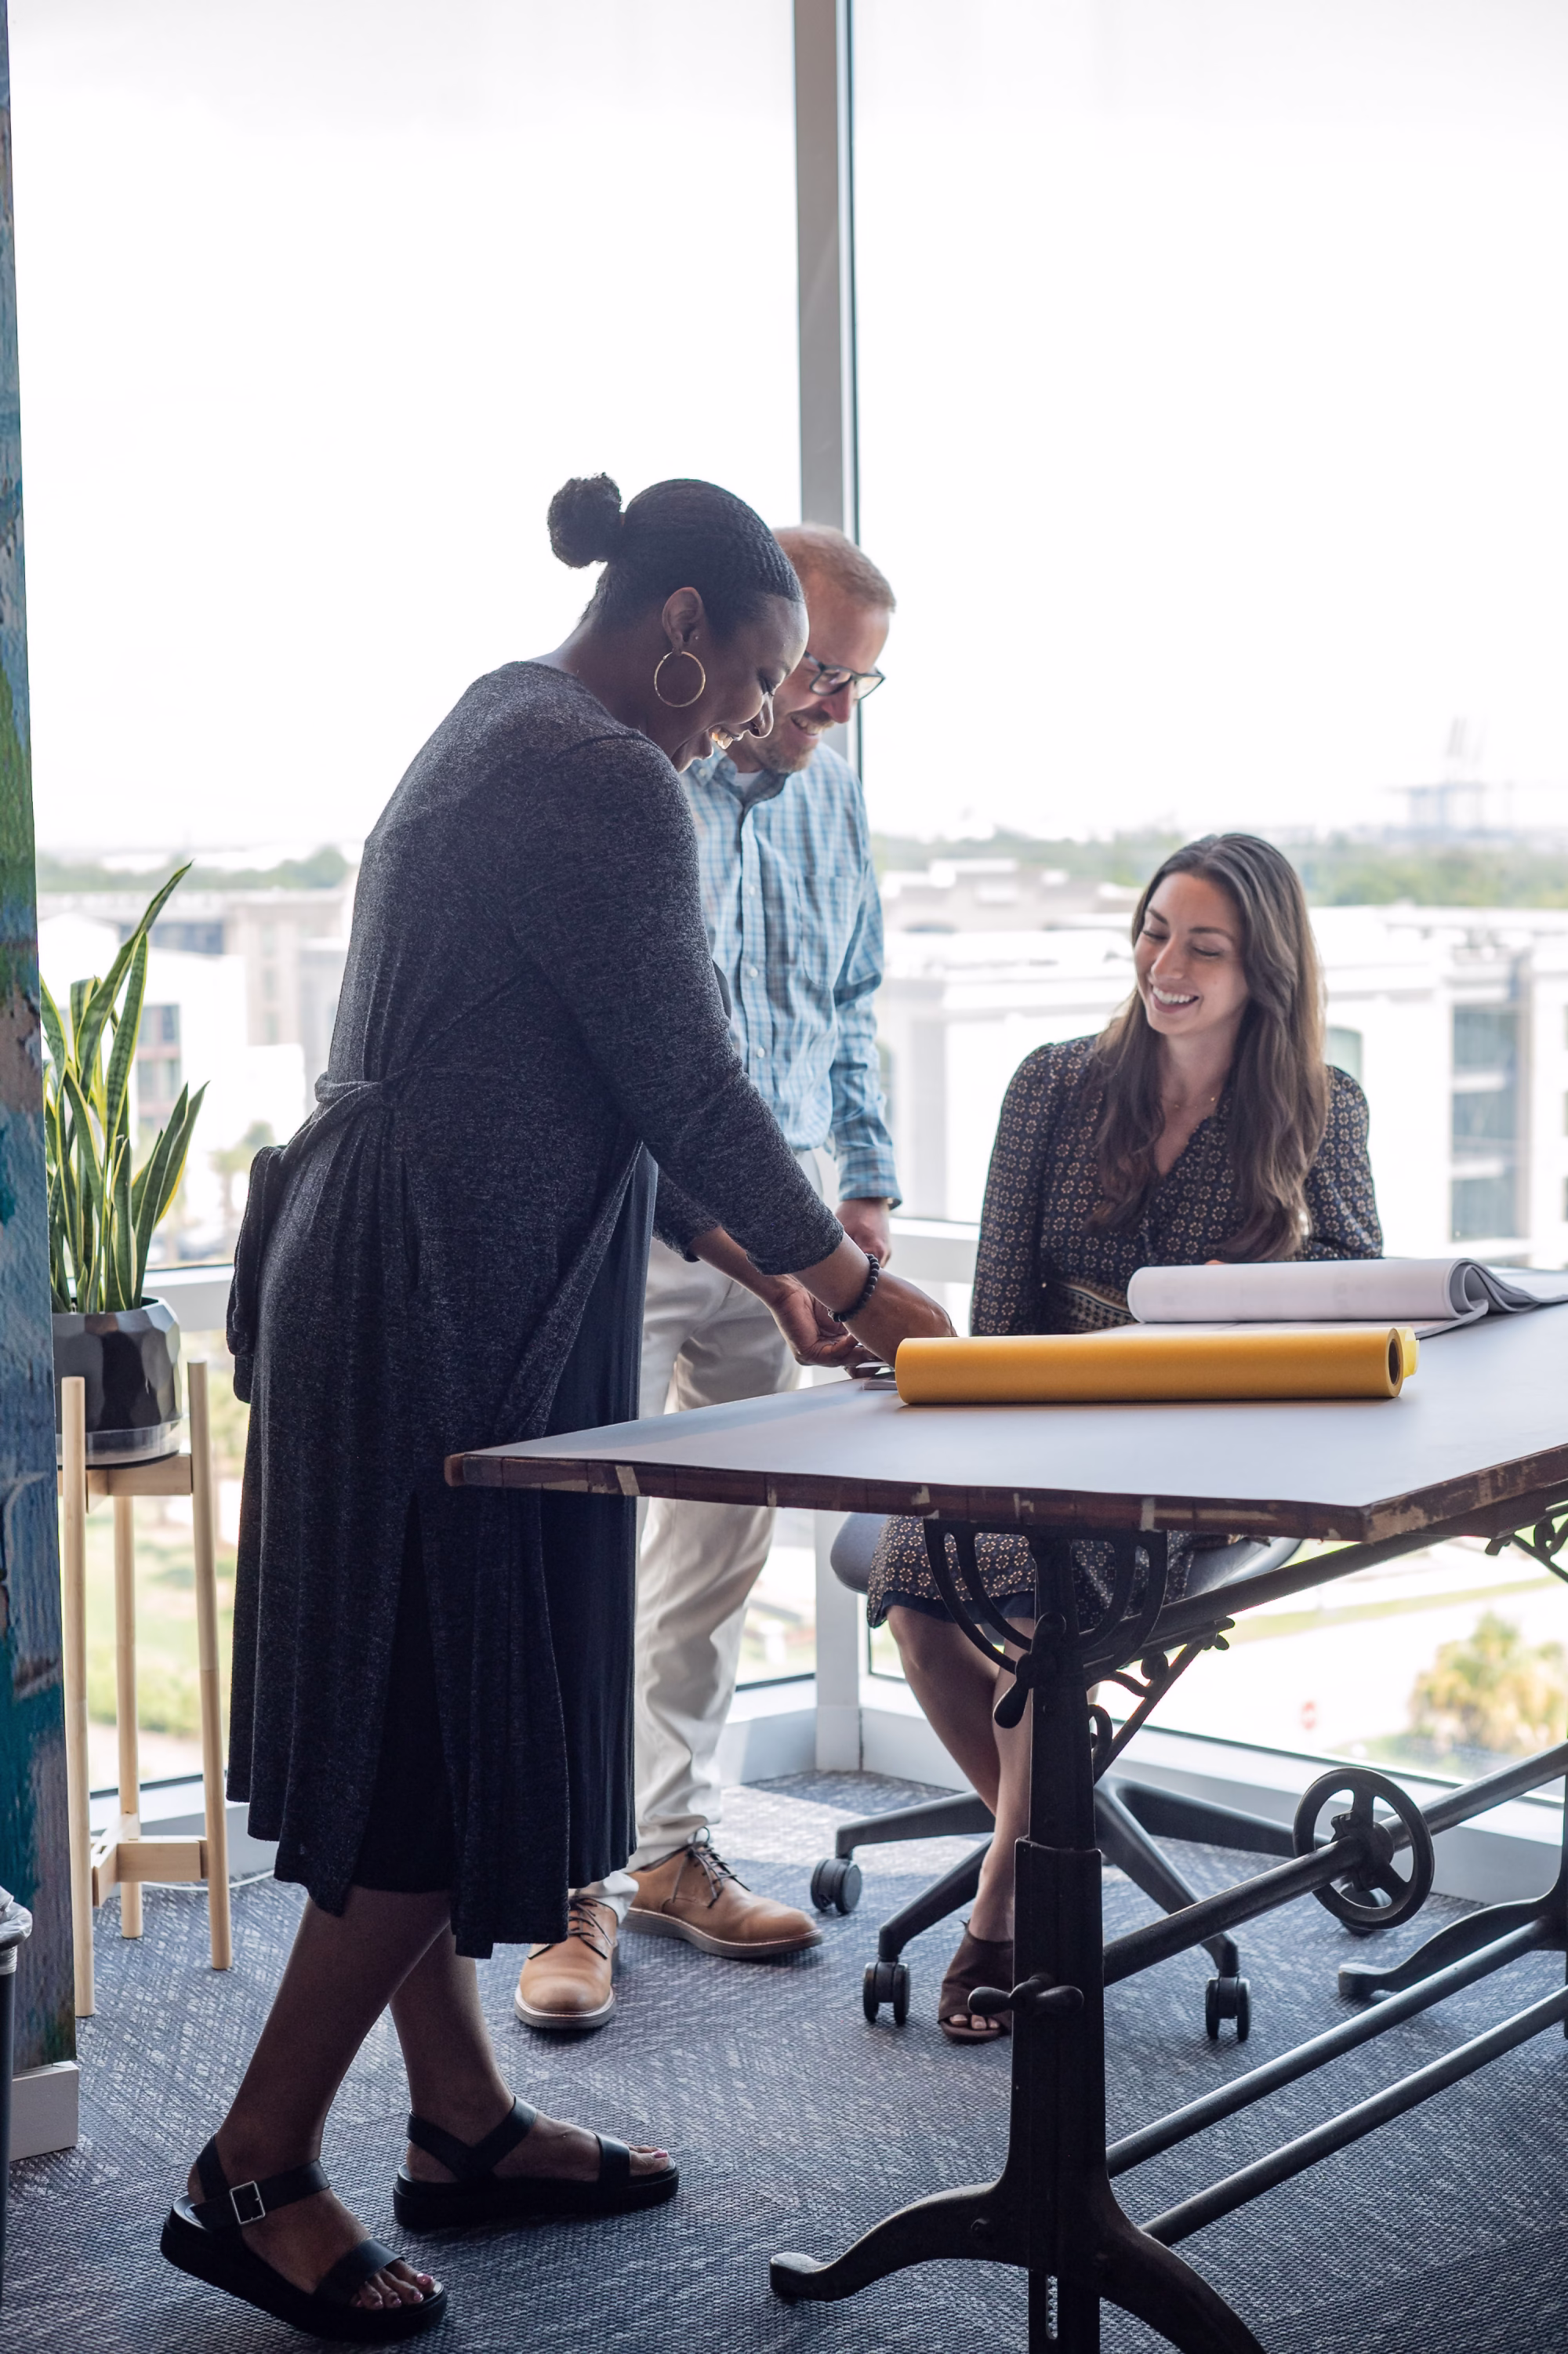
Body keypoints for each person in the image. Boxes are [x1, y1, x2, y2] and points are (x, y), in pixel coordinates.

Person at [165, 473, 949, 2341]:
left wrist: (759, 1260)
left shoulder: (500, 716)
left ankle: (457, 2119)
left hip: (404, 1261)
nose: (752, 720)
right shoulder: (600, 773)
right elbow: (684, 1068)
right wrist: (846, 1282)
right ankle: (254, 2163)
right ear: (680, 626)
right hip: (445, 1289)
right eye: (753, 675)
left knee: (428, 1706)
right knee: (438, 1726)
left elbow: (590, 1071)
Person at [865, 834, 1382, 2046]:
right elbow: (1002, 1309)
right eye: (1154, 932)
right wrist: (993, 1432)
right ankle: (1051, 1854)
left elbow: (1363, 1286)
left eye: (1204, 946)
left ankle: (1004, 1912)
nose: (1166, 965)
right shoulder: (1053, 1085)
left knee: (1040, 1622)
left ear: (1264, 971)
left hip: (1204, 1443)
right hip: (1046, 1411)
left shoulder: (1320, 1107)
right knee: (917, 1585)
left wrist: (1258, 1295)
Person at [516, 524, 902, 2031]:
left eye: (864, 686)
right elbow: (658, 1074)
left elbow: (852, 999)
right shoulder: (639, 776)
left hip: (785, 1222)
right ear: (749, 648)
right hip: (634, 1220)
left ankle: (667, 1841)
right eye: (817, 677)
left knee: (713, 1561)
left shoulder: (834, 799)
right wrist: (824, 1266)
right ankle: (570, 1885)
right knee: (588, 1552)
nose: (832, 710)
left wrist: (861, 1193)